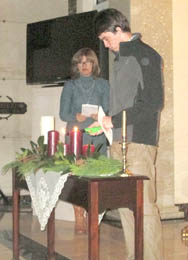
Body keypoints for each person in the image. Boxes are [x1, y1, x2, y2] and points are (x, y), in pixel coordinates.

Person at [91, 8, 164, 260]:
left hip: (138, 142)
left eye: (106, 38)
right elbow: (122, 103)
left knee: (144, 209)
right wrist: (104, 121)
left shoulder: (147, 55)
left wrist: (115, 119)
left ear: (118, 29)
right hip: (118, 141)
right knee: (125, 207)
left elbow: (153, 102)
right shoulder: (120, 59)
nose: (105, 44)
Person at [59, 47, 109, 233]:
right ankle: (79, 217)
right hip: (77, 136)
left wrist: (100, 114)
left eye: (88, 61)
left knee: (96, 179)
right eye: (80, 62)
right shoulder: (70, 86)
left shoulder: (104, 84)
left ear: (94, 64)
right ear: (76, 65)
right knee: (77, 180)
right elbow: (63, 114)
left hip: (97, 136)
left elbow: (110, 111)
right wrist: (77, 116)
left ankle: (92, 215)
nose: (84, 65)